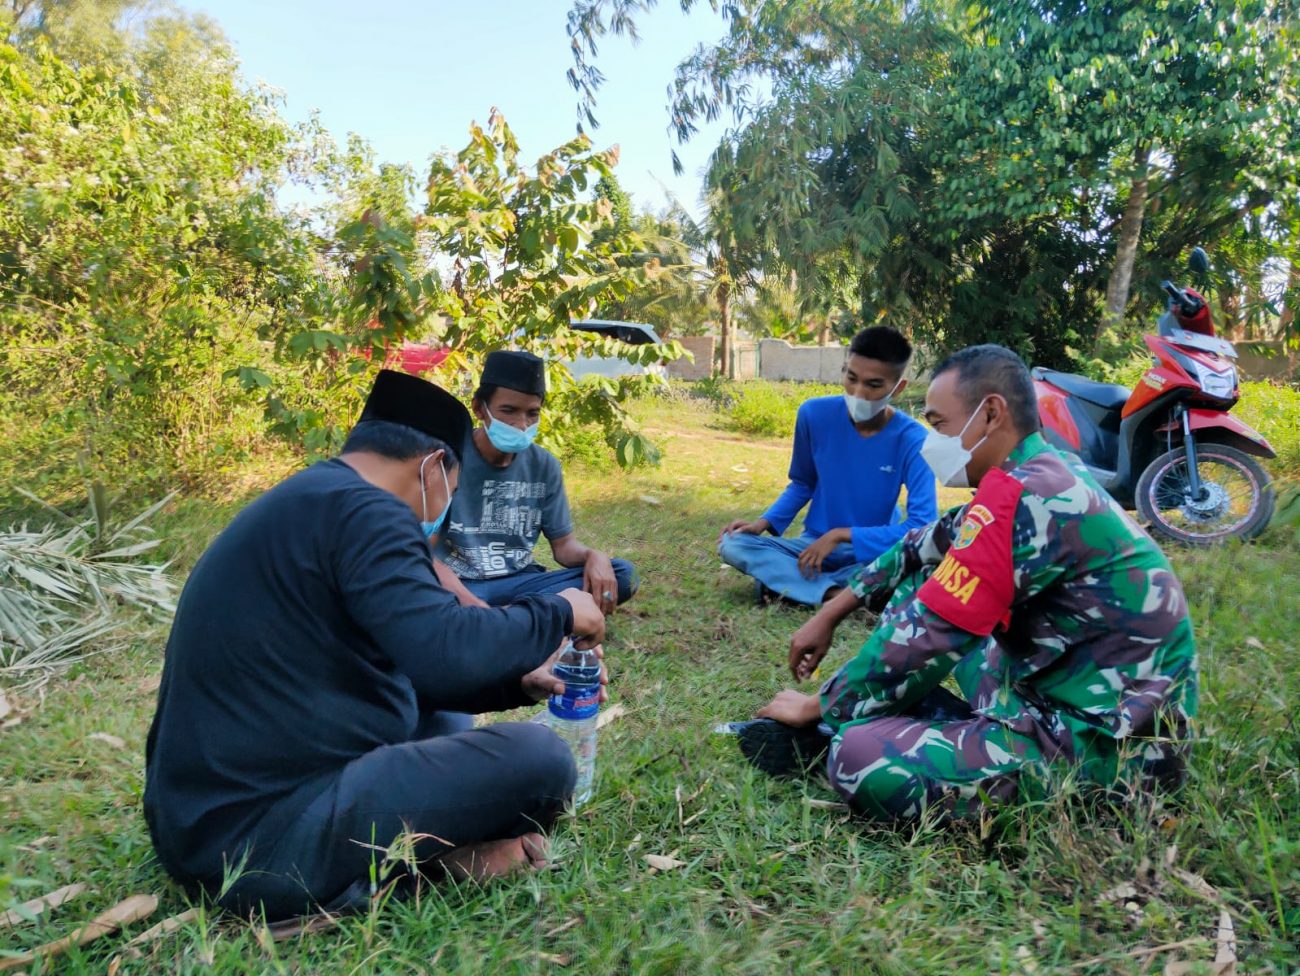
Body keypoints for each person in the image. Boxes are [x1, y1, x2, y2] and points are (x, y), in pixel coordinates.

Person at [144, 369, 608, 922]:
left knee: (448, 718)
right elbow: (444, 649)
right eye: (451, 493)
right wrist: (559, 610)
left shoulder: (316, 497)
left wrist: (522, 680)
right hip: (262, 848)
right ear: (434, 468)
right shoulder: (371, 510)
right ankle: (432, 864)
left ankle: (427, 858)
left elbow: (419, 664)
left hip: (201, 828)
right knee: (542, 759)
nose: (435, 514)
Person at [735, 344, 1197, 820]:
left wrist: (820, 705)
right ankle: (923, 721)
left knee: (858, 757)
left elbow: (933, 629)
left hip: (1105, 749)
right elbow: (924, 542)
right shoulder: (1041, 473)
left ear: (990, 413)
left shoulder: (1027, 496)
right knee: (923, 580)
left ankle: (895, 729)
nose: (931, 441)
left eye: (939, 425)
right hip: (1057, 690)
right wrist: (833, 611)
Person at [718, 325, 938, 607]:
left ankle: (794, 587)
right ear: (844, 369)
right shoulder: (814, 415)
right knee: (734, 544)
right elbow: (803, 483)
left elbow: (922, 526)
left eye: (873, 385)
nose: (858, 393)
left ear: (898, 387)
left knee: (921, 569)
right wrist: (763, 523)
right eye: (851, 377)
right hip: (813, 545)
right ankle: (841, 596)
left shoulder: (914, 439)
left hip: (872, 553)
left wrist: (840, 535)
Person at [436, 350, 638, 616]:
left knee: (621, 573)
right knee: (420, 589)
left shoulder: (544, 465)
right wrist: (464, 596)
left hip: (520, 582)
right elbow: (423, 550)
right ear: (479, 408)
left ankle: (504, 617)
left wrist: (594, 556)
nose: (521, 424)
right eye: (509, 411)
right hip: (458, 583)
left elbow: (563, 547)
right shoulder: (448, 458)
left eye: (532, 413)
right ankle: (529, 616)